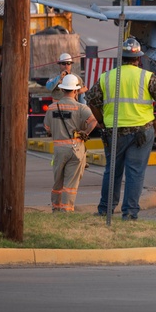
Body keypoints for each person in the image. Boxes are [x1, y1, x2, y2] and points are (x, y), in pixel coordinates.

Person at [86, 37, 156, 221]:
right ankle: (129, 214)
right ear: (138, 59)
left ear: (120, 58)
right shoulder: (146, 77)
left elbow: (90, 99)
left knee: (112, 170)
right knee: (135, 172)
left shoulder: (107, 77)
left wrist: (100, 120)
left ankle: (105, 210)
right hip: (141, 131)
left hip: (113, 132)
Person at [42, 74, 97, 212]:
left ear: (62, 90)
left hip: (59, 150)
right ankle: (66, 210)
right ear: (76, 91)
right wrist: (86, 132)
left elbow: (47, 129)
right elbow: (93, 121)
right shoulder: (81, 108)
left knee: (58, 181)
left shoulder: (52, 108)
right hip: (75, 149)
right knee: (70, 184)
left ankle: (56, 209)